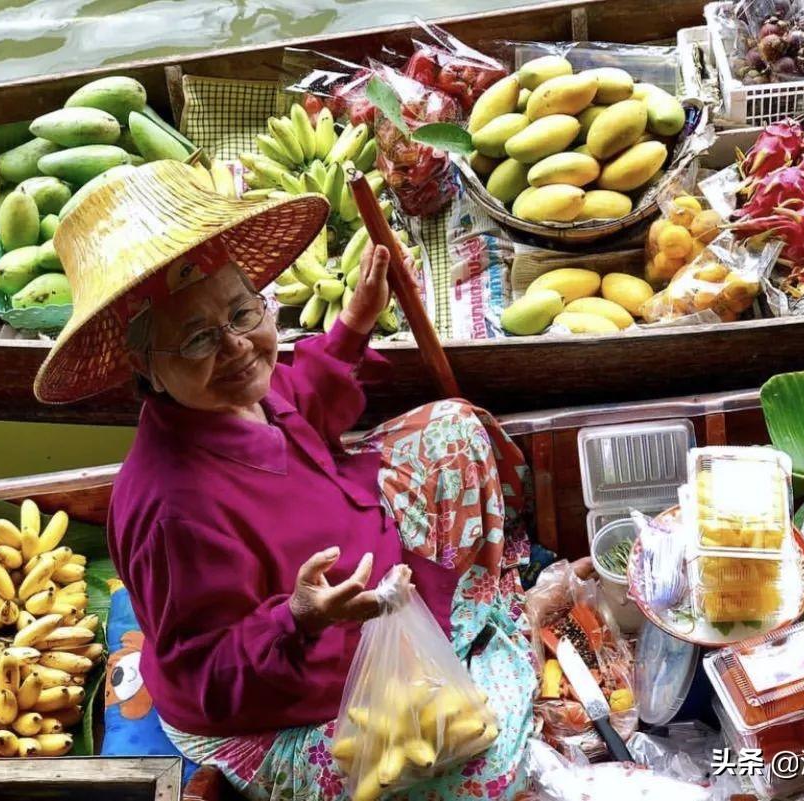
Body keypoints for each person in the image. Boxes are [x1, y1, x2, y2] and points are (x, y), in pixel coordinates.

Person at [34, 161, 537, 800]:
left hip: (344, 576)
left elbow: (304, 398)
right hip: (267, 699)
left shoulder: (239, 392)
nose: (238, 347)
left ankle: (462, 624)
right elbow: (210, 671)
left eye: (244, 312)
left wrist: (355, 323)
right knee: (482, 760)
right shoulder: (173, 509)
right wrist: (298, 617)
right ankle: (484, 628)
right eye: (196, 340)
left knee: (453, 428)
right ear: (148, 369)